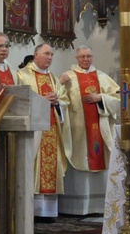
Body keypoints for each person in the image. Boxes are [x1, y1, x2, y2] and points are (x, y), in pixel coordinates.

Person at [57, 46, 119, 215]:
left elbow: (118, 97)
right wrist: (59, 85)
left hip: (99, 128)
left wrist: (100, 98)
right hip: (77, 130)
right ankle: (76, 208)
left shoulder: (102, 77)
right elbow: (58, 98)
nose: (85, 59)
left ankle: (99, 207)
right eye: (82, 56)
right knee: (78, 159)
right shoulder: (67, 77)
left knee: (99, 159)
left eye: (89, 56)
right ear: (76, 58)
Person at [17, 44, 72, 218]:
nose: (50, 57)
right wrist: (42, 100)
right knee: (34, 166)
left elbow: (64, 99)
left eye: (52, 55)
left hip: (52, 128)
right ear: (36, 55)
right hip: (34, 131)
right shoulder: (23, 75)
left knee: (50, 166)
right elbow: (20, 100)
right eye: (46, 54)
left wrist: (57, 102)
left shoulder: (53, 78)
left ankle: (48, 212)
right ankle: (32, 212)